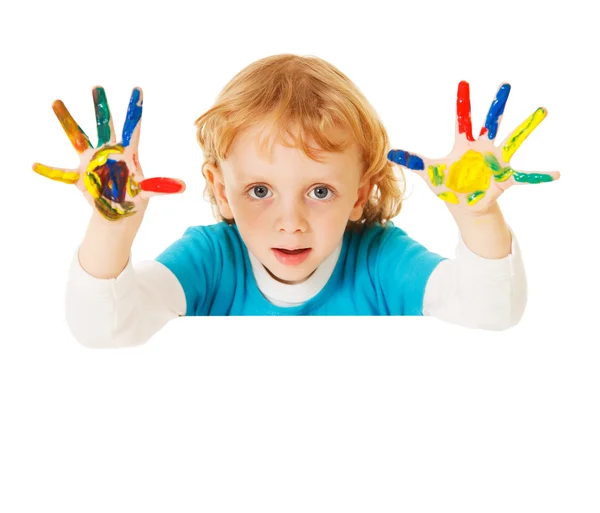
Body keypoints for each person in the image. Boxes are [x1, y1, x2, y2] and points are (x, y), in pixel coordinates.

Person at [32, 54, 559, 348]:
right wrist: (112, 227)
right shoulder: (212, 260)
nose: (290, 222)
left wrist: (479, 215)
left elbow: (491, 314)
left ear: (362, 193)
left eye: (320, 191)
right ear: (221, 190)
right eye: (259, 191)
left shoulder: (378, 259)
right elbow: (103, 329)